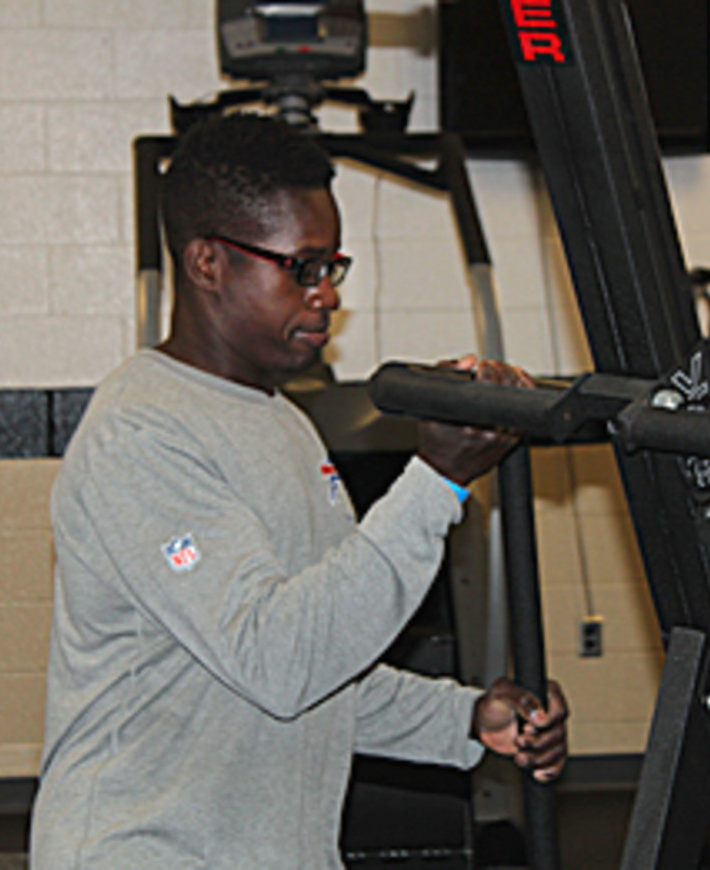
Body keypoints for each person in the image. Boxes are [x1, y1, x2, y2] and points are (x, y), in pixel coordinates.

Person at [29, 112, 568, 868]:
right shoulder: (142, 434)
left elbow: (319, 668)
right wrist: (436, 481)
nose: (327, 296)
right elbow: (278, 662)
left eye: (333, 268)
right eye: (302, 268)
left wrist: (468, 718)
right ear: (208, 263)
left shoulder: (284, 425)